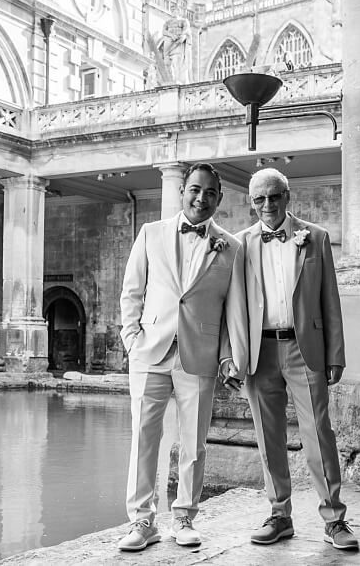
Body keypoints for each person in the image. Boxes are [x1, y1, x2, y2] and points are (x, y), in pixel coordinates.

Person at [116, 162, 247, 551]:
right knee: (143, 438)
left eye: (209, 193)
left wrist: (227, 356)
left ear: (219, 199)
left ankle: (185, 517)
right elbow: (131, 292)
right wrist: (131, 340)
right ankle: (142, 521)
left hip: (200, 355)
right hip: (150, 351)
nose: (201, 198)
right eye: (194, 189)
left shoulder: (231, 247)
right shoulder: (150, 233)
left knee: (194, 442)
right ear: (182, 191)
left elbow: (233, 310)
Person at [234, 167, 359, 551]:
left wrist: (335, 352)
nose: (267, 205)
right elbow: (233, 307)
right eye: (259, 199)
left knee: (319, 432)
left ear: (287, 196)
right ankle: (279, 514)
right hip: (259, 352)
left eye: (274, 196)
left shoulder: (315, 237)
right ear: (251, 202)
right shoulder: (240, 244)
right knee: (267, 435)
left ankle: (334, 518)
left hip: (306, 350)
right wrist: (232, 356)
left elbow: (330, 301)